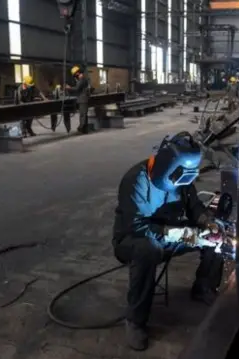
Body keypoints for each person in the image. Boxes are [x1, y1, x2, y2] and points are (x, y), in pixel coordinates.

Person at [112, 132, 225, 351]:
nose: (182, 182)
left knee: (217, 237)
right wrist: (186, 234)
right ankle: (135, 321)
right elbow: (138, 227)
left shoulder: (183, 176)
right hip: (134, 239)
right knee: (147, 251)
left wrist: (208, 224)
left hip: (171, 235)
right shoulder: (135, 180)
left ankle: (204, 286)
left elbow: (195, 209)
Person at [67, 65, 90, 134]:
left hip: (82, 99)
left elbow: (77, 88)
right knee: (84, 114)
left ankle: (81, 128)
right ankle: (84, 129)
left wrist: (69, 88)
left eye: (74, 75)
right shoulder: (82, 78)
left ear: (77, 73)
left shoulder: (82, 78)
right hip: (83, 99)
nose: (74, 76)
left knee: (82, 114)